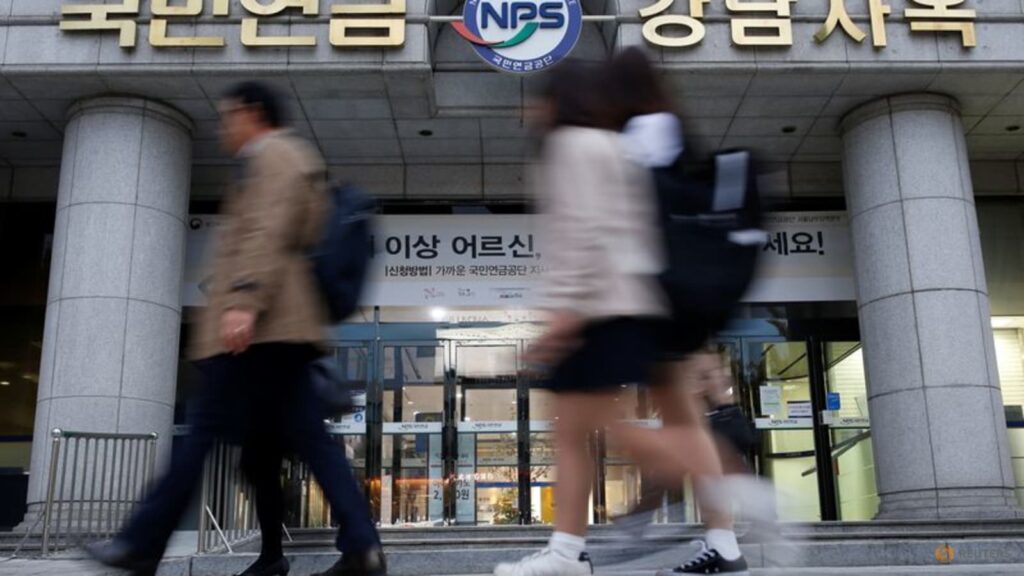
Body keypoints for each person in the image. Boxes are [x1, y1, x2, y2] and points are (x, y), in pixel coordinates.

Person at [86, 81, 386, 576]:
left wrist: (244, 299)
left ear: (251, 112)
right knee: (307, 441)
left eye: (227, 115)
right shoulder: (283, 158)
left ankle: (141, 542)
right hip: (279, 328)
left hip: (263, 328)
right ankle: (360, 546)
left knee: (203, 433)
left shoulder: (275, 155)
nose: (222, 126)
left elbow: (268, 230)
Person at [493, 60, 733, 576]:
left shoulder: (575, 144)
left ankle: (735, 491)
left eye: (536, 99)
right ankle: (568, 552)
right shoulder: (617, 142)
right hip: (632, 302)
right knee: (581, 428)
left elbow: (581, 231)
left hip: (603, 306)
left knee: (592, 426)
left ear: (559, 101)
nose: (528, 111)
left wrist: (563, 311)